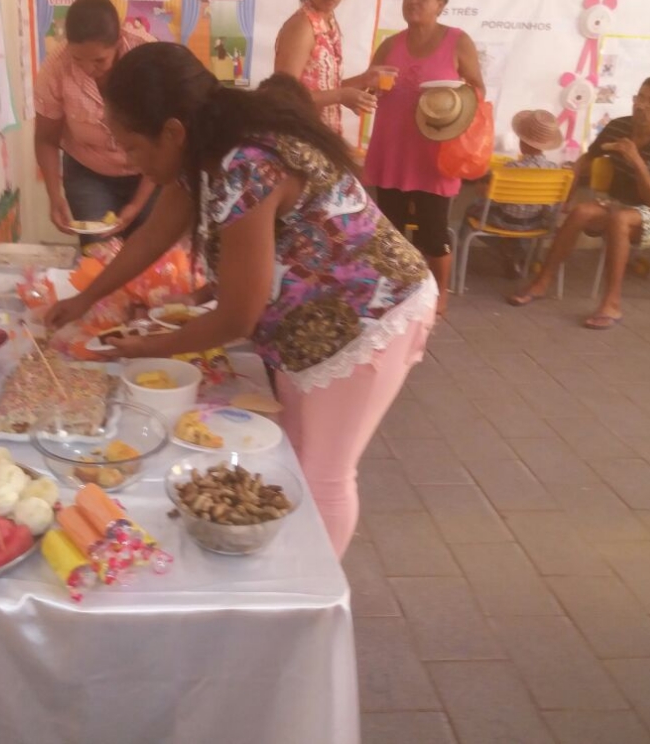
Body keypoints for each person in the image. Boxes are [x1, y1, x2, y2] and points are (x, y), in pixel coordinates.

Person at [45, 43, 437, 558]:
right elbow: (153, 235)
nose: (129, 161)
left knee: (324, 473)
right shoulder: (201, 148)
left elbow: (237, 317)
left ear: (172, 132)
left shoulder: (245, 164)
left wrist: (139, 348)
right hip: (314, 324)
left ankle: (315, 592)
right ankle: (288, 566)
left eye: (133, 147)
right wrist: (86, 296)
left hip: (370, 320)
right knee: (294, 452)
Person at [362, 0, 485, 315]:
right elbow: (368, 87)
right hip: (393, 150)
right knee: (391, 232)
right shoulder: (390, 45)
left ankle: (440, 293)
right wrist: (372, 87)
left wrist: (451, 101)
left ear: (441, 3)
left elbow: (478, 90)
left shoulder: (458, 41)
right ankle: (395, 292)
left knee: (433, 233)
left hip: (435, 153)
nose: (413, 1)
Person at [508, 76, 650, 328]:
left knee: (620, 219)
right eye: (640, 97)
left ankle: (612, 303)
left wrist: (636, 161)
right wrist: (568, 194)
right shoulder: (618, 126)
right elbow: (586, 158)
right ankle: (541, 283)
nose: (642, 105)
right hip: (618, 203)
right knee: (581, 211)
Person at [34, 0, 158, 248]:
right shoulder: (55, 69)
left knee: (148, 249)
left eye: (99, 60)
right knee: (99, 250)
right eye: (78, 59)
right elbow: (46, 138)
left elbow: (162, 140)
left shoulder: (147, 56)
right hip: (88, 173)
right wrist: (54, 196)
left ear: (118, 41)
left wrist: (137, 204)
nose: (88, 69)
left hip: (150, 171)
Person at [274, 0, 395, 135]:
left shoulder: (328, 21)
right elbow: (283, 94)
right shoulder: (302, 26)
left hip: (322, 137)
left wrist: (362, 80)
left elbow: (323, 89)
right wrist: (340, 96)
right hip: (298, 136)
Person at [465, 109, 564, 277]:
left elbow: (486, 194)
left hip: (504, 222)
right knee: (525, 213)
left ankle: (464, 253)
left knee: (472, 209)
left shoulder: (510, 168)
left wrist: (482, 185)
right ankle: (518, 252)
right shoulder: (555, 170)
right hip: (536, 224)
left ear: (522, 142)